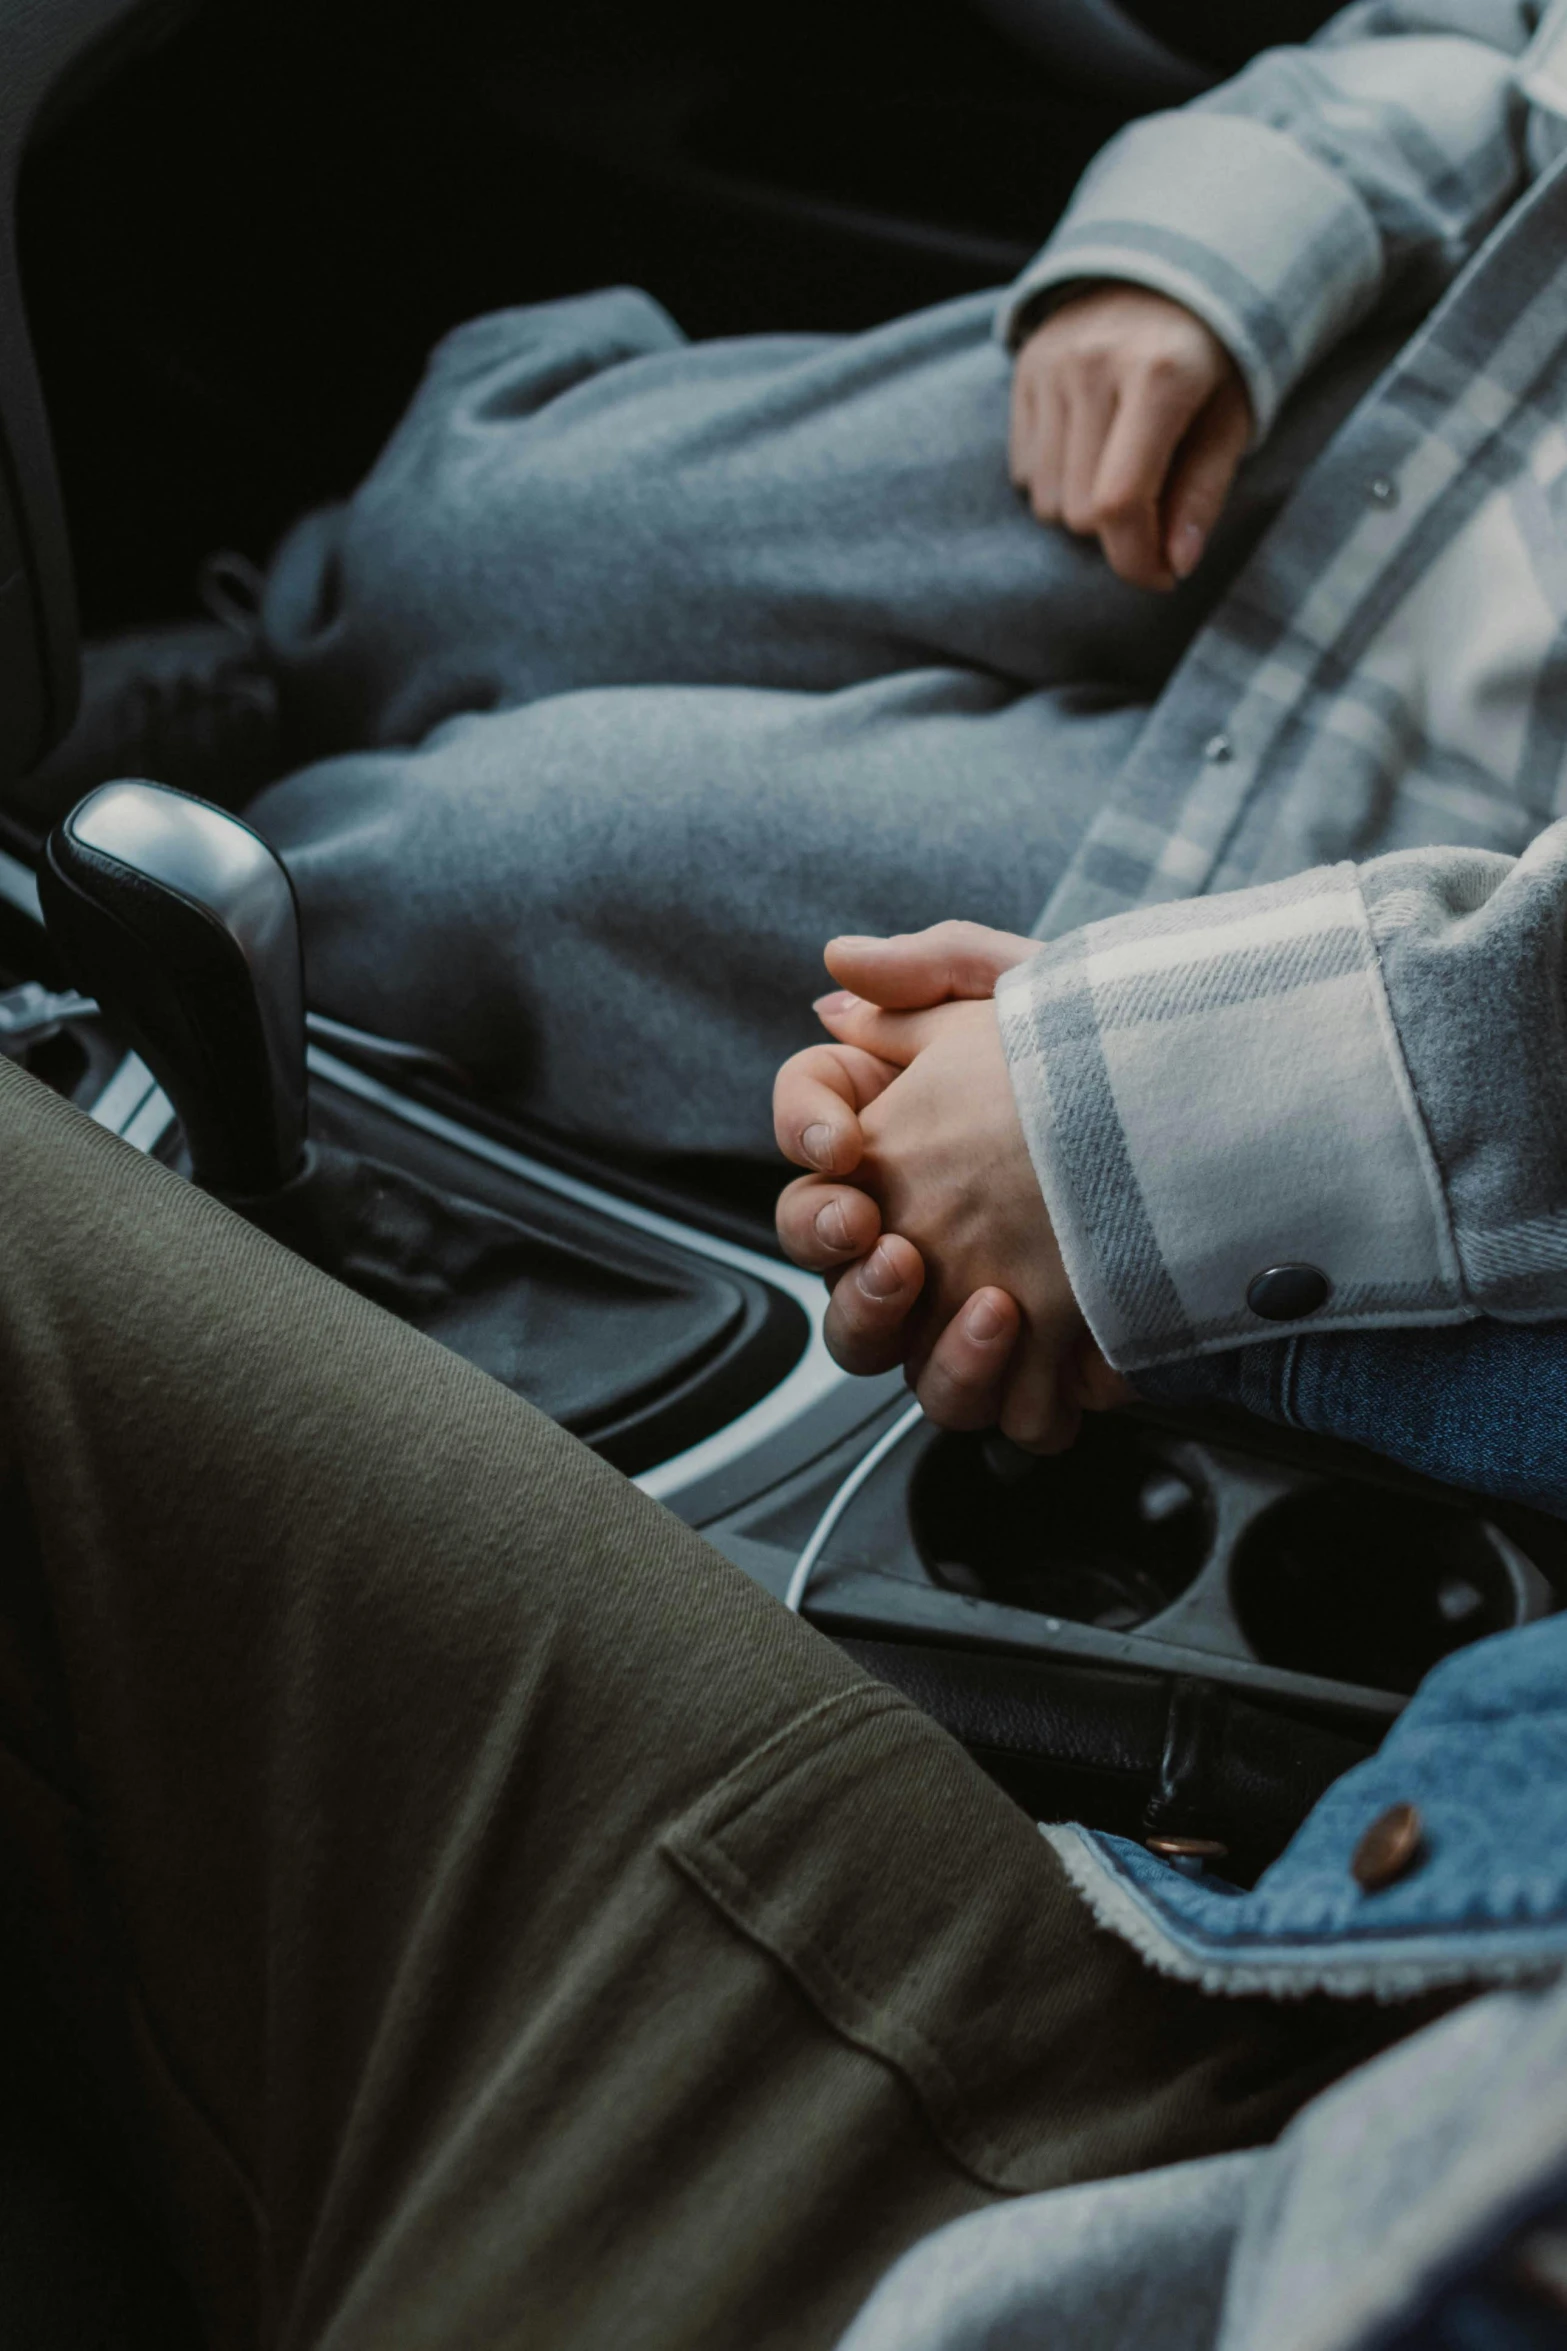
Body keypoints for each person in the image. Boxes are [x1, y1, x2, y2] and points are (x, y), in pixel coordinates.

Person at [0, 960, 1564, 2351]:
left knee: (448, 861)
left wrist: (1156, 1134)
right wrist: (1170, 1149)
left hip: (1051, 2227)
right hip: (1293, 2053)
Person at [22, 1, 1563, 1167]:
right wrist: (1239, 220)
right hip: (1449, 390)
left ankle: (155, 952)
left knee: (505, 857)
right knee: (514, 518)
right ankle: (274, 673)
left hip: (1442, 870)